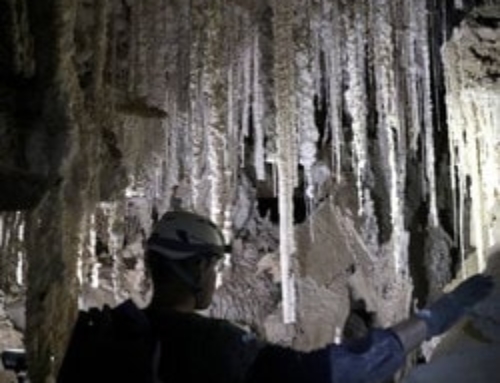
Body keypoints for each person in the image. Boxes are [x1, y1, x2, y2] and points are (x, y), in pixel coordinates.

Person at [143, 210, 494, 383]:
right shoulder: (213, 344)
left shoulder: (112, 333)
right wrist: (430, 322)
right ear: (199, 268)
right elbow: (325, 373)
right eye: (214, 265)